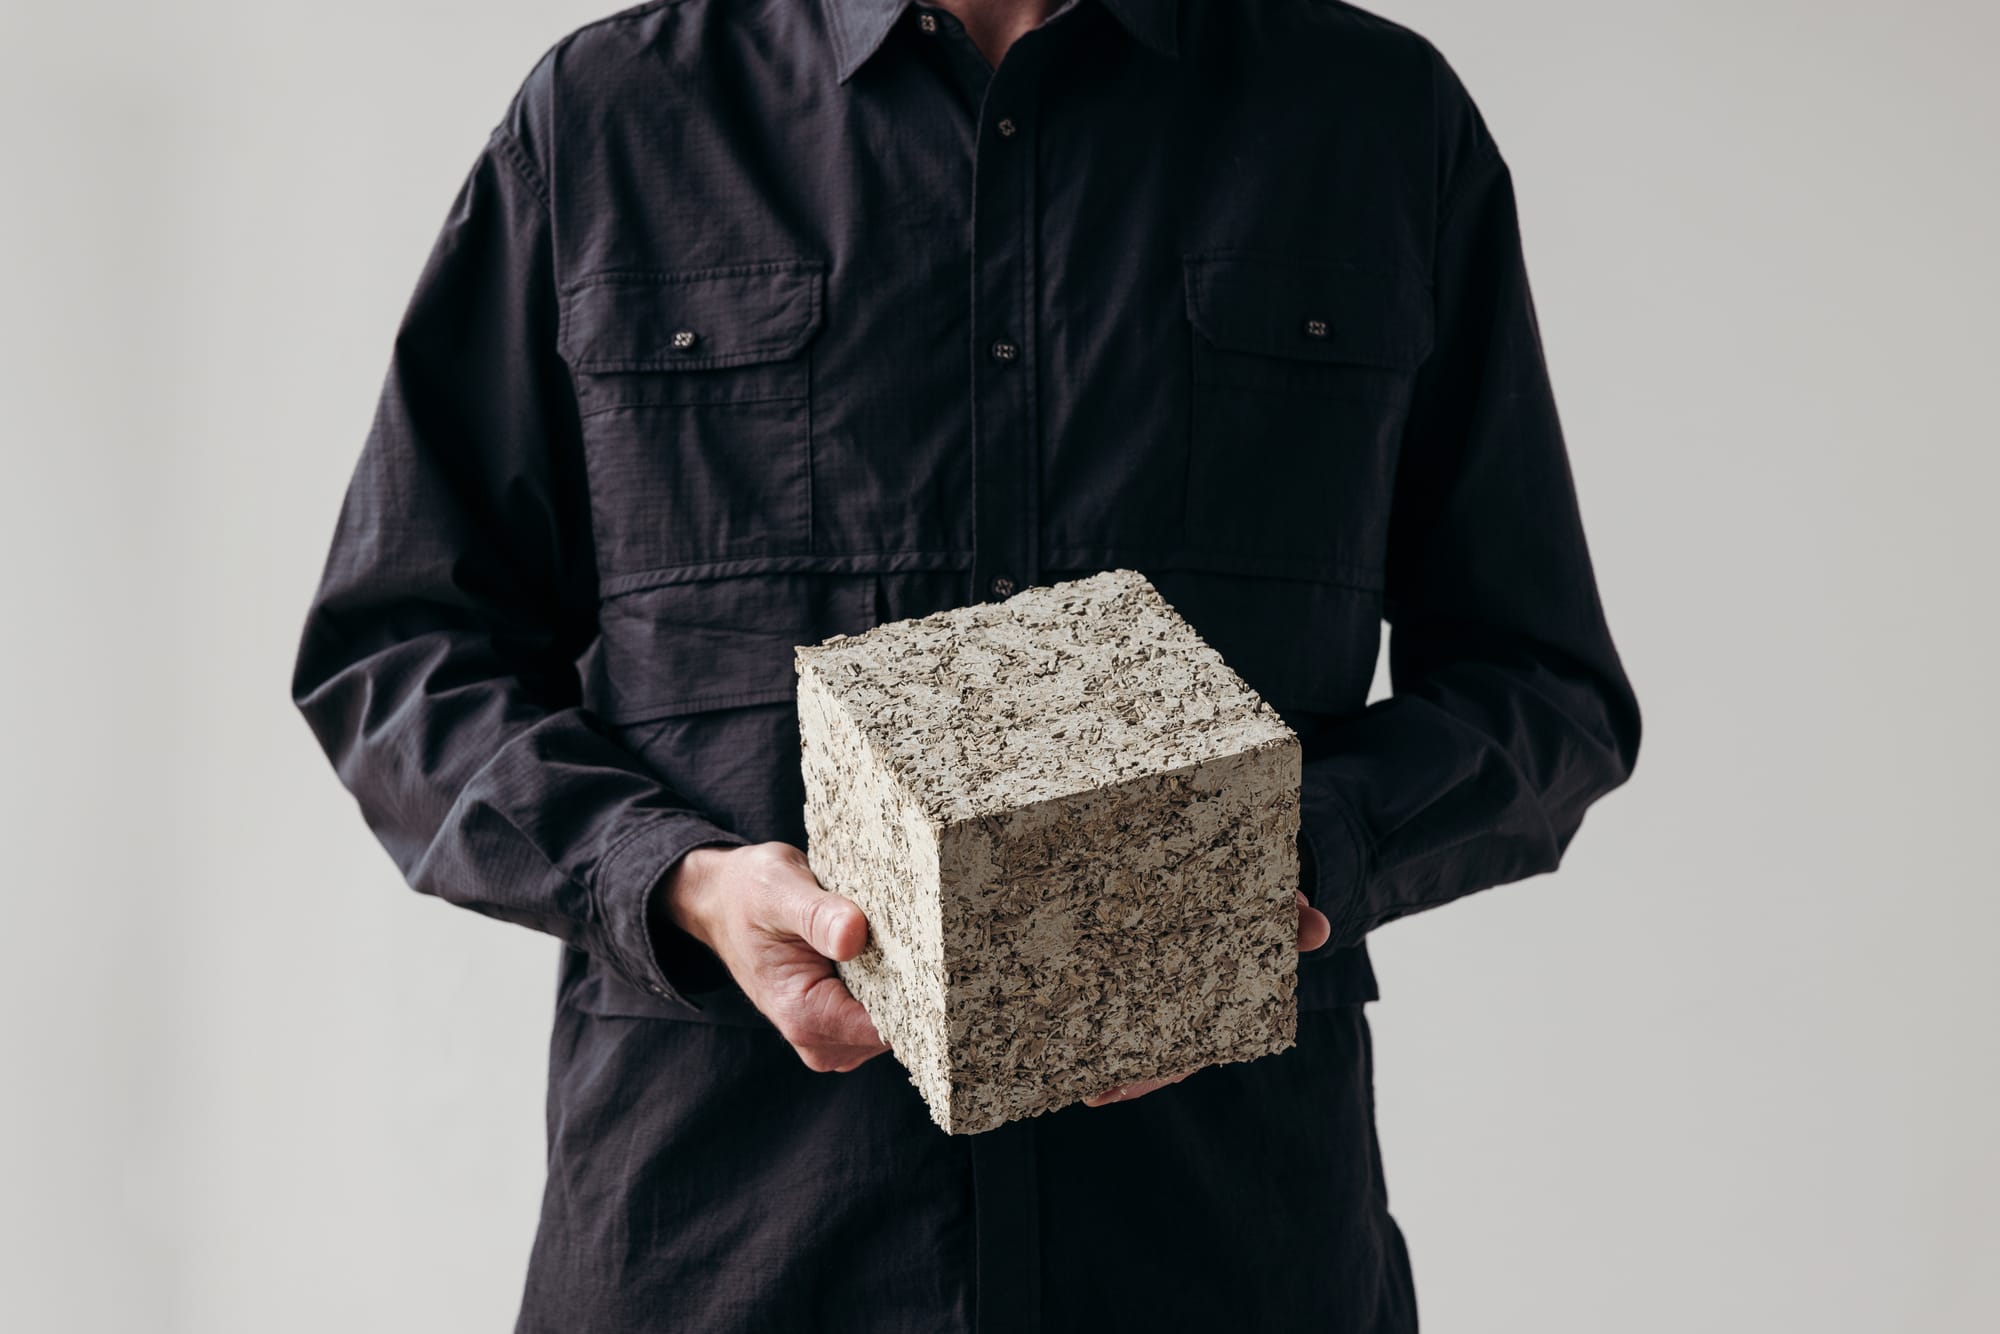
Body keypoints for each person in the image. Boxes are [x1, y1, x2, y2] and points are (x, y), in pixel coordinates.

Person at [291, 0, 1642, 1328]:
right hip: (721, 1249)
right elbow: (401, 652)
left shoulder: (1374, 123)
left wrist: (1280, 851)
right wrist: (679, 886)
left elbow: (1542, 687)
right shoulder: (605, 120)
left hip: (1225, 1248)